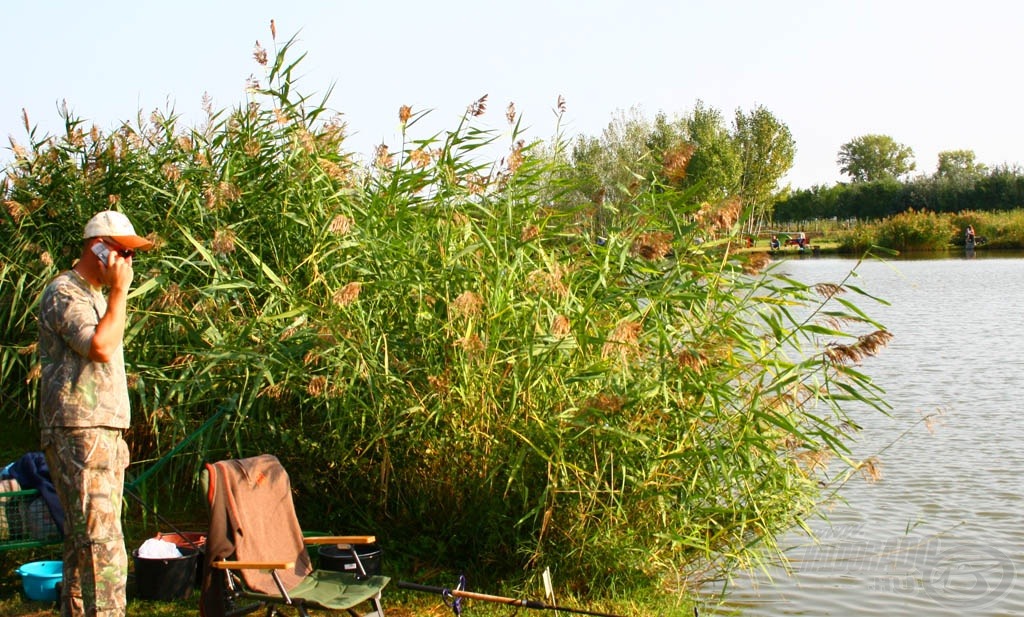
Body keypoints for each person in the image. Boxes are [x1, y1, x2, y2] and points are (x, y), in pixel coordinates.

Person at [38, 211, 154, 617]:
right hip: (80, 433)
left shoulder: (96, 297)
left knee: (83, 544)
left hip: (99, 431)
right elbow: (100, 347)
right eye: (124, 252)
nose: (129, 263)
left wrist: (114, 296)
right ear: (98, 247)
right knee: (102, 545)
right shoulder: (64, 293)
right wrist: (120, 294)